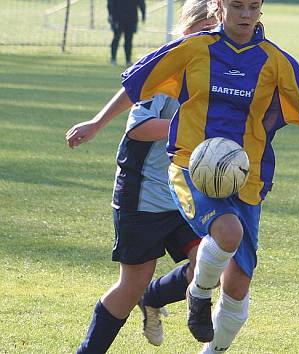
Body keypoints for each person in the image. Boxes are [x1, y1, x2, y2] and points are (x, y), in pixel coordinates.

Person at [78, 0, 299, 352]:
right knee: (227, 232)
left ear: (261, 9)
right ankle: (197, 295)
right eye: (236, 5)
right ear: (219, 7)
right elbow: (138, 84)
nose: (245, 14)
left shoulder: (277, 61)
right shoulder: (193, 48)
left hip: (246, 179)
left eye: (252, 6)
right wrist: (97, 123)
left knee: (239, 286)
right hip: (191, 169)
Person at [67, 1, 220, 352]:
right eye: (202, 33)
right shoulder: (166, 69)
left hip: (187, 192)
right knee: (130, 285)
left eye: (214, 35)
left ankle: (154, 297)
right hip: (144, 192)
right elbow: (139, 128)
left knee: (211, 263)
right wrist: (96, 123)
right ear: (185, 33)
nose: (207, 42)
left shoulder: (221, 73)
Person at [108, 0, 146, 66]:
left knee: (129, 39)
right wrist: (110, 14)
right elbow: (110, 3)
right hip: (117, 17)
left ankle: (128, 60)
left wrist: (143, 13)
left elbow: (141, 2)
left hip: (131, 17)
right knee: (116, 37)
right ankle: (113, 59)